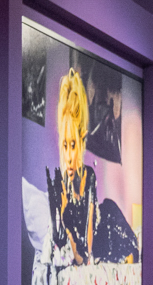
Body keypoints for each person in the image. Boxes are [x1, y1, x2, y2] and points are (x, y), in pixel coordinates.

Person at [47, 68, 138, 265]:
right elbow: (68, 241)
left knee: (114, 218)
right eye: (65, 145)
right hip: (86, 244)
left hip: (101, 230)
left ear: (81, 143)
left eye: (73, 145)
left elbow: (88, 241)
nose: (69, 156)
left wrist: (85, 254)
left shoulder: (88, 175)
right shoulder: (58, 183)